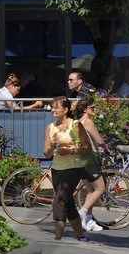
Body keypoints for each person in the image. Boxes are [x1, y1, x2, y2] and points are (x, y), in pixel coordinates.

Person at [42, 96, 104, 241]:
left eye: (57, 107)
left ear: (66, 109)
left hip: (74, 167)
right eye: (52, 107)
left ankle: (58, 236)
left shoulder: (75, 125)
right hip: (57, 168)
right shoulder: (50, 127)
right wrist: (51, 146)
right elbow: (46, 153)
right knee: (68, 201)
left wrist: (70, 151)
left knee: (59, 199)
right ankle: (80, 234)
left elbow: (87, 148)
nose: (54, 110)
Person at [65, 69, 107, 231]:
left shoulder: (78, 118)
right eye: (92, 106)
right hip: (87, 158)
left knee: (90, 190)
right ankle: (82, 214)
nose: (95, 108)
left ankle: (87, 221)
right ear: (86, 108)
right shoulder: (87, 121)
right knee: (100, 188)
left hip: (79, 157)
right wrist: (106, 149)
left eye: (71, 80)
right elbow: (99, 140)